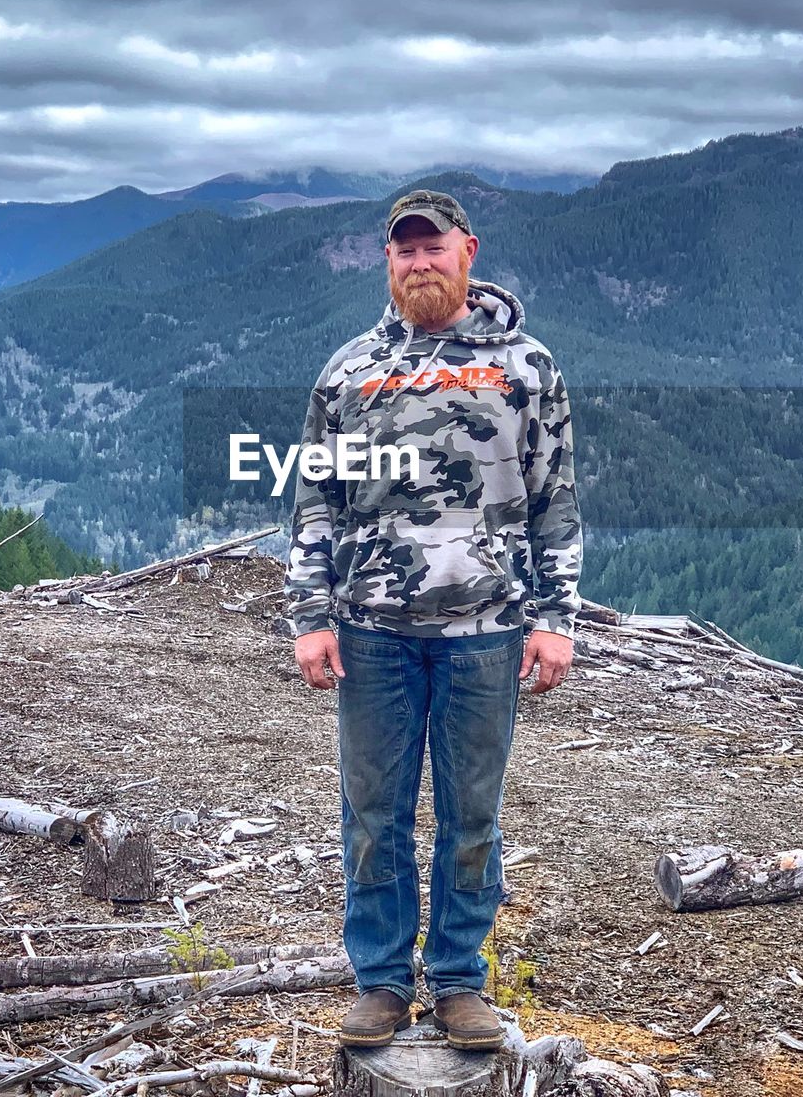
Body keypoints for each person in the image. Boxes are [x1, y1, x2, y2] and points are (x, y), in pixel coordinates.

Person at [284, 188, 583, 1051]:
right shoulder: (349, 372)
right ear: (389, 262)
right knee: (374, 813)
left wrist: (555, 616)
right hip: (372, 630)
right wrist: (310, 614)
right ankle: (380, 980)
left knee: (471, 815)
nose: (419, 262)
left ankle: (458, 981)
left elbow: (553, 500)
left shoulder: (527, 368)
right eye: (404, 250)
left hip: (487, 630)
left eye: (433, 247)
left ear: (467, 251)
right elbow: (316, 503)